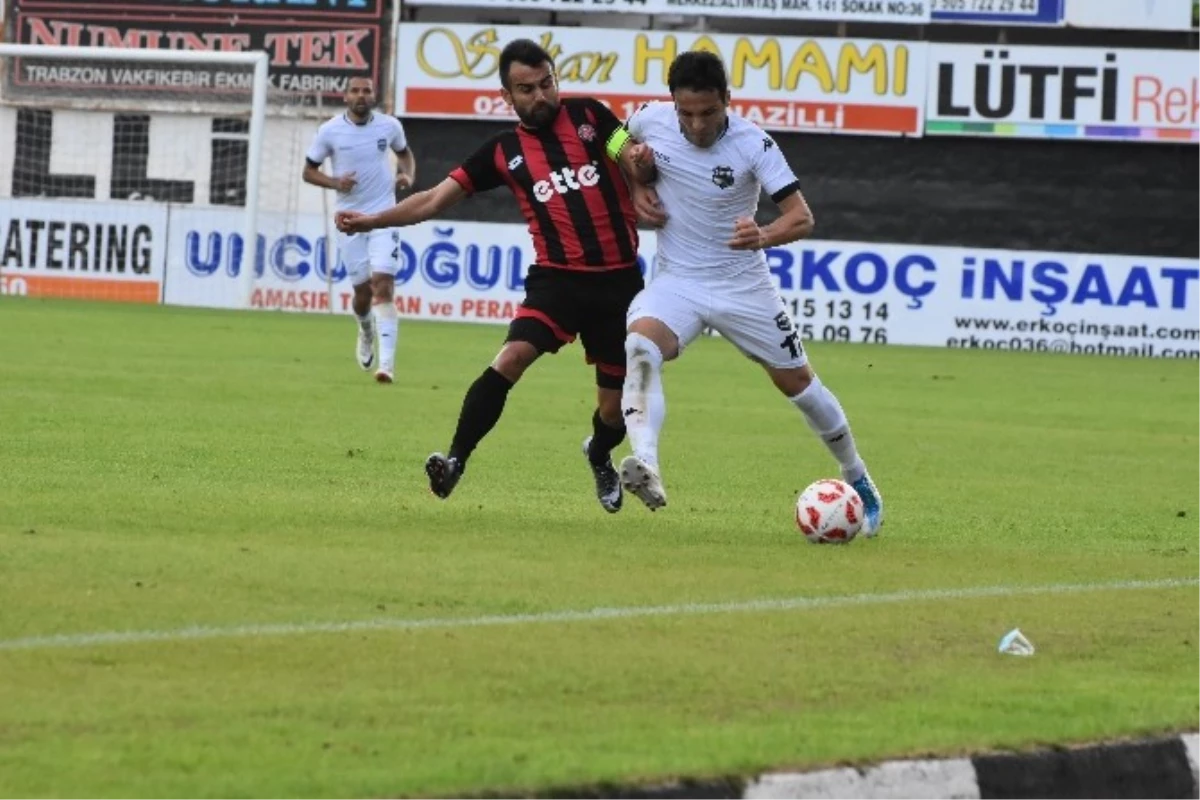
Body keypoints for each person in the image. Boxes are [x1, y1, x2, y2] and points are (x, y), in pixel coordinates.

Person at [335, 39, 656, 511]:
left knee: (613, 409)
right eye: (526, 89)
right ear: (507, 97)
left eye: (547, 83)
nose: (541, 95)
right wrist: (371, 219)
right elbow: (431, 200)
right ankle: (455, 462)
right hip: (556, 282)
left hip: (619, 283)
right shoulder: (503, 152)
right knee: (509, 359)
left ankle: (599, 453)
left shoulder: (591, 117)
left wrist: (638, 163)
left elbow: (625, 148)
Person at [618, 51, 884, 536]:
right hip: (677, 281)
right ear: (674, 104)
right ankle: (645, 462)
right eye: (686, 113)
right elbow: (618, 135)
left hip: (744, 286)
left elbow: (801, 216)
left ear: (728, 101)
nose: (696, 125)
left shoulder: (753, 144)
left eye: (707, 113)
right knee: (639, 346)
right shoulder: (650, 118)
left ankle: (858, 478)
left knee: (800, 387)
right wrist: (635, 177)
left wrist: (763, 234)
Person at [303, 76, 416, 384]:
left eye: (367, 90)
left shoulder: (389, 126)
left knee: (384, 285)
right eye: (355, 91)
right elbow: (308, 172)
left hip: (384, 216)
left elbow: (404, 153)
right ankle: (365, 330)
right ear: (345, 96)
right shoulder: (329, 131)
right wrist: (336, 183)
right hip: (349, 220)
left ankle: (387, 366)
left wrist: (408, 174)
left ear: (373, 95)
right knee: (363, 293)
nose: (361, 95)